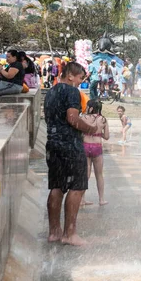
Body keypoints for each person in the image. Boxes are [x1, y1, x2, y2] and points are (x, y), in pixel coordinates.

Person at [44, 62, 97, 245]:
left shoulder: (50, 92)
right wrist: (90, 128)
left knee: (57, 186)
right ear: (71, 76)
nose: (81, 82)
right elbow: (72, 119)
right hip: (70, 145)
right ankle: (70, 234)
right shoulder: (72, 91)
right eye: (80, 78)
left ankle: (54, 232)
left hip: (52, 143)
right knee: (78, 186)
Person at [80, 100, 110, 206]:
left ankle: (82, 199)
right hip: (97, 148)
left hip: (85, 146)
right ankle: (101, 199)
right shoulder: (103, 119)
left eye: (87, 106)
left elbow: (78, 132)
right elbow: (106, 137)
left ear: (91, 108)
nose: (86, 108)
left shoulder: (83, 118)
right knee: (99, 175)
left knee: (85, 175)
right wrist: (99, 133)